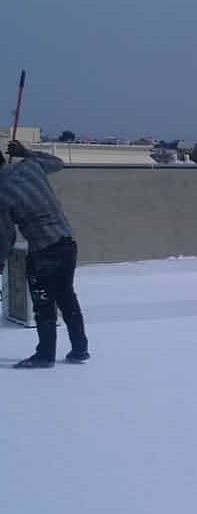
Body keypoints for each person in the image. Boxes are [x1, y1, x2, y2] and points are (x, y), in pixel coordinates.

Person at [0, 140, 89, 368]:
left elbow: (6, 237)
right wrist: (26, 153)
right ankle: (80, 349)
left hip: (43, 251)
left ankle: (45, 356)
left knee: (44, 304)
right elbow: (58, 162)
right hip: (67, 242)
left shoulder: (2, 194)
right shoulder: (31, 166)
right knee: (66, 297)